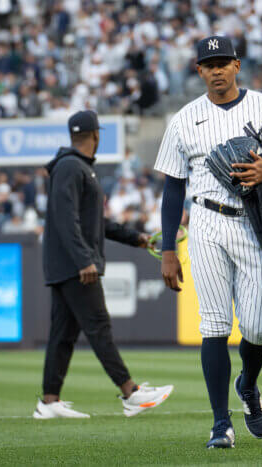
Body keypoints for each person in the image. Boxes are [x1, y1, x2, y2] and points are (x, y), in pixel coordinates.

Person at [155, 36, 262, 448]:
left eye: (223, 62)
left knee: (259, 328)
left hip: (255, 222)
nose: (216, 70)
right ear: (198, 70)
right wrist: (169, 249)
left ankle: (249, 384)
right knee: (215, 324)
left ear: (237, 65)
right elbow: (172, 189)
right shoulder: (184, 118)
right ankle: (221, 424)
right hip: (205, 222)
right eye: (208, 64)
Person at [34, 110, 173, 419]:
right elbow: (65, 217)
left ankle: (49, 401)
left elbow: (93, 221)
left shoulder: (74, 167)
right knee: (98, 326)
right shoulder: (72, 167)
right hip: (76, 265)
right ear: (96, 135)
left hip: (67, 263)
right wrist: (84, 259)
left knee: (63, 335)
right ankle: (130, 393)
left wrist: (136, 238)